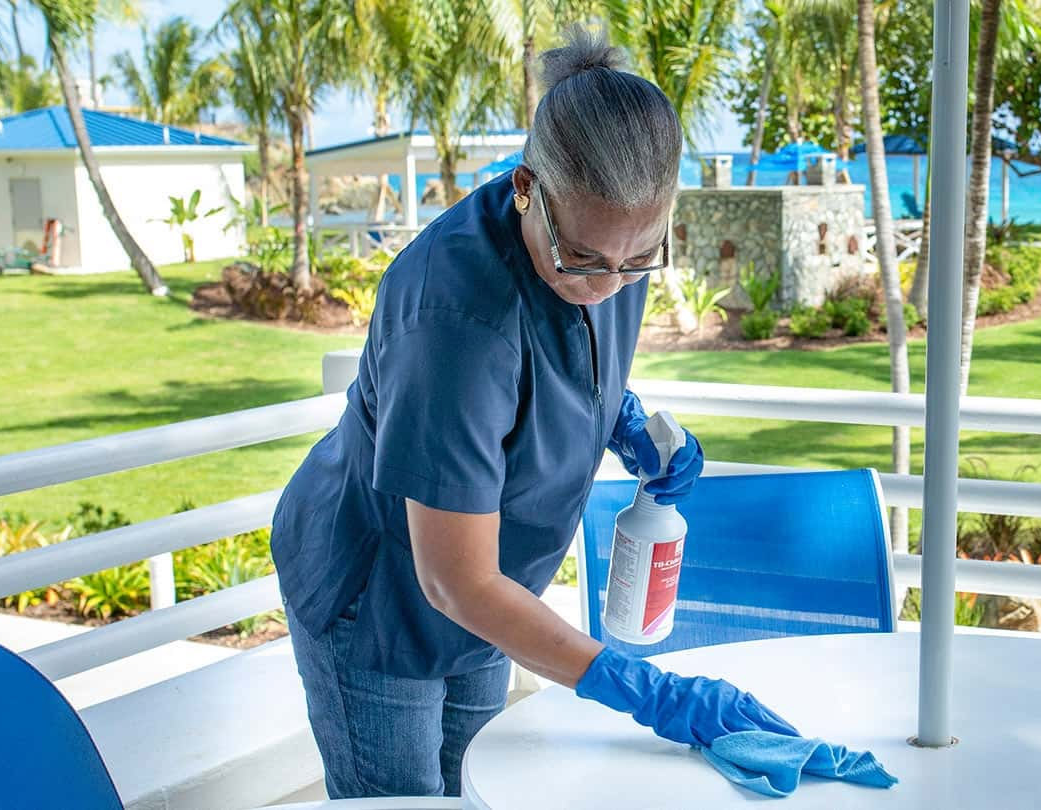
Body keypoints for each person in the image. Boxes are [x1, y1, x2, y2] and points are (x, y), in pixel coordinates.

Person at [270, 31, 796, 799]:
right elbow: (456, 582)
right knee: (411, 800)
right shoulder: (453, 323)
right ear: (525, 187)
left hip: (493, 588)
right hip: (377, 600)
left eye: (640, 257)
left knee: (480, 787)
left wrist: (623, 420)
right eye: (581, 258)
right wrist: (649, 695)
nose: (608, 283)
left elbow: (567, 361)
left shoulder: (608, 243)